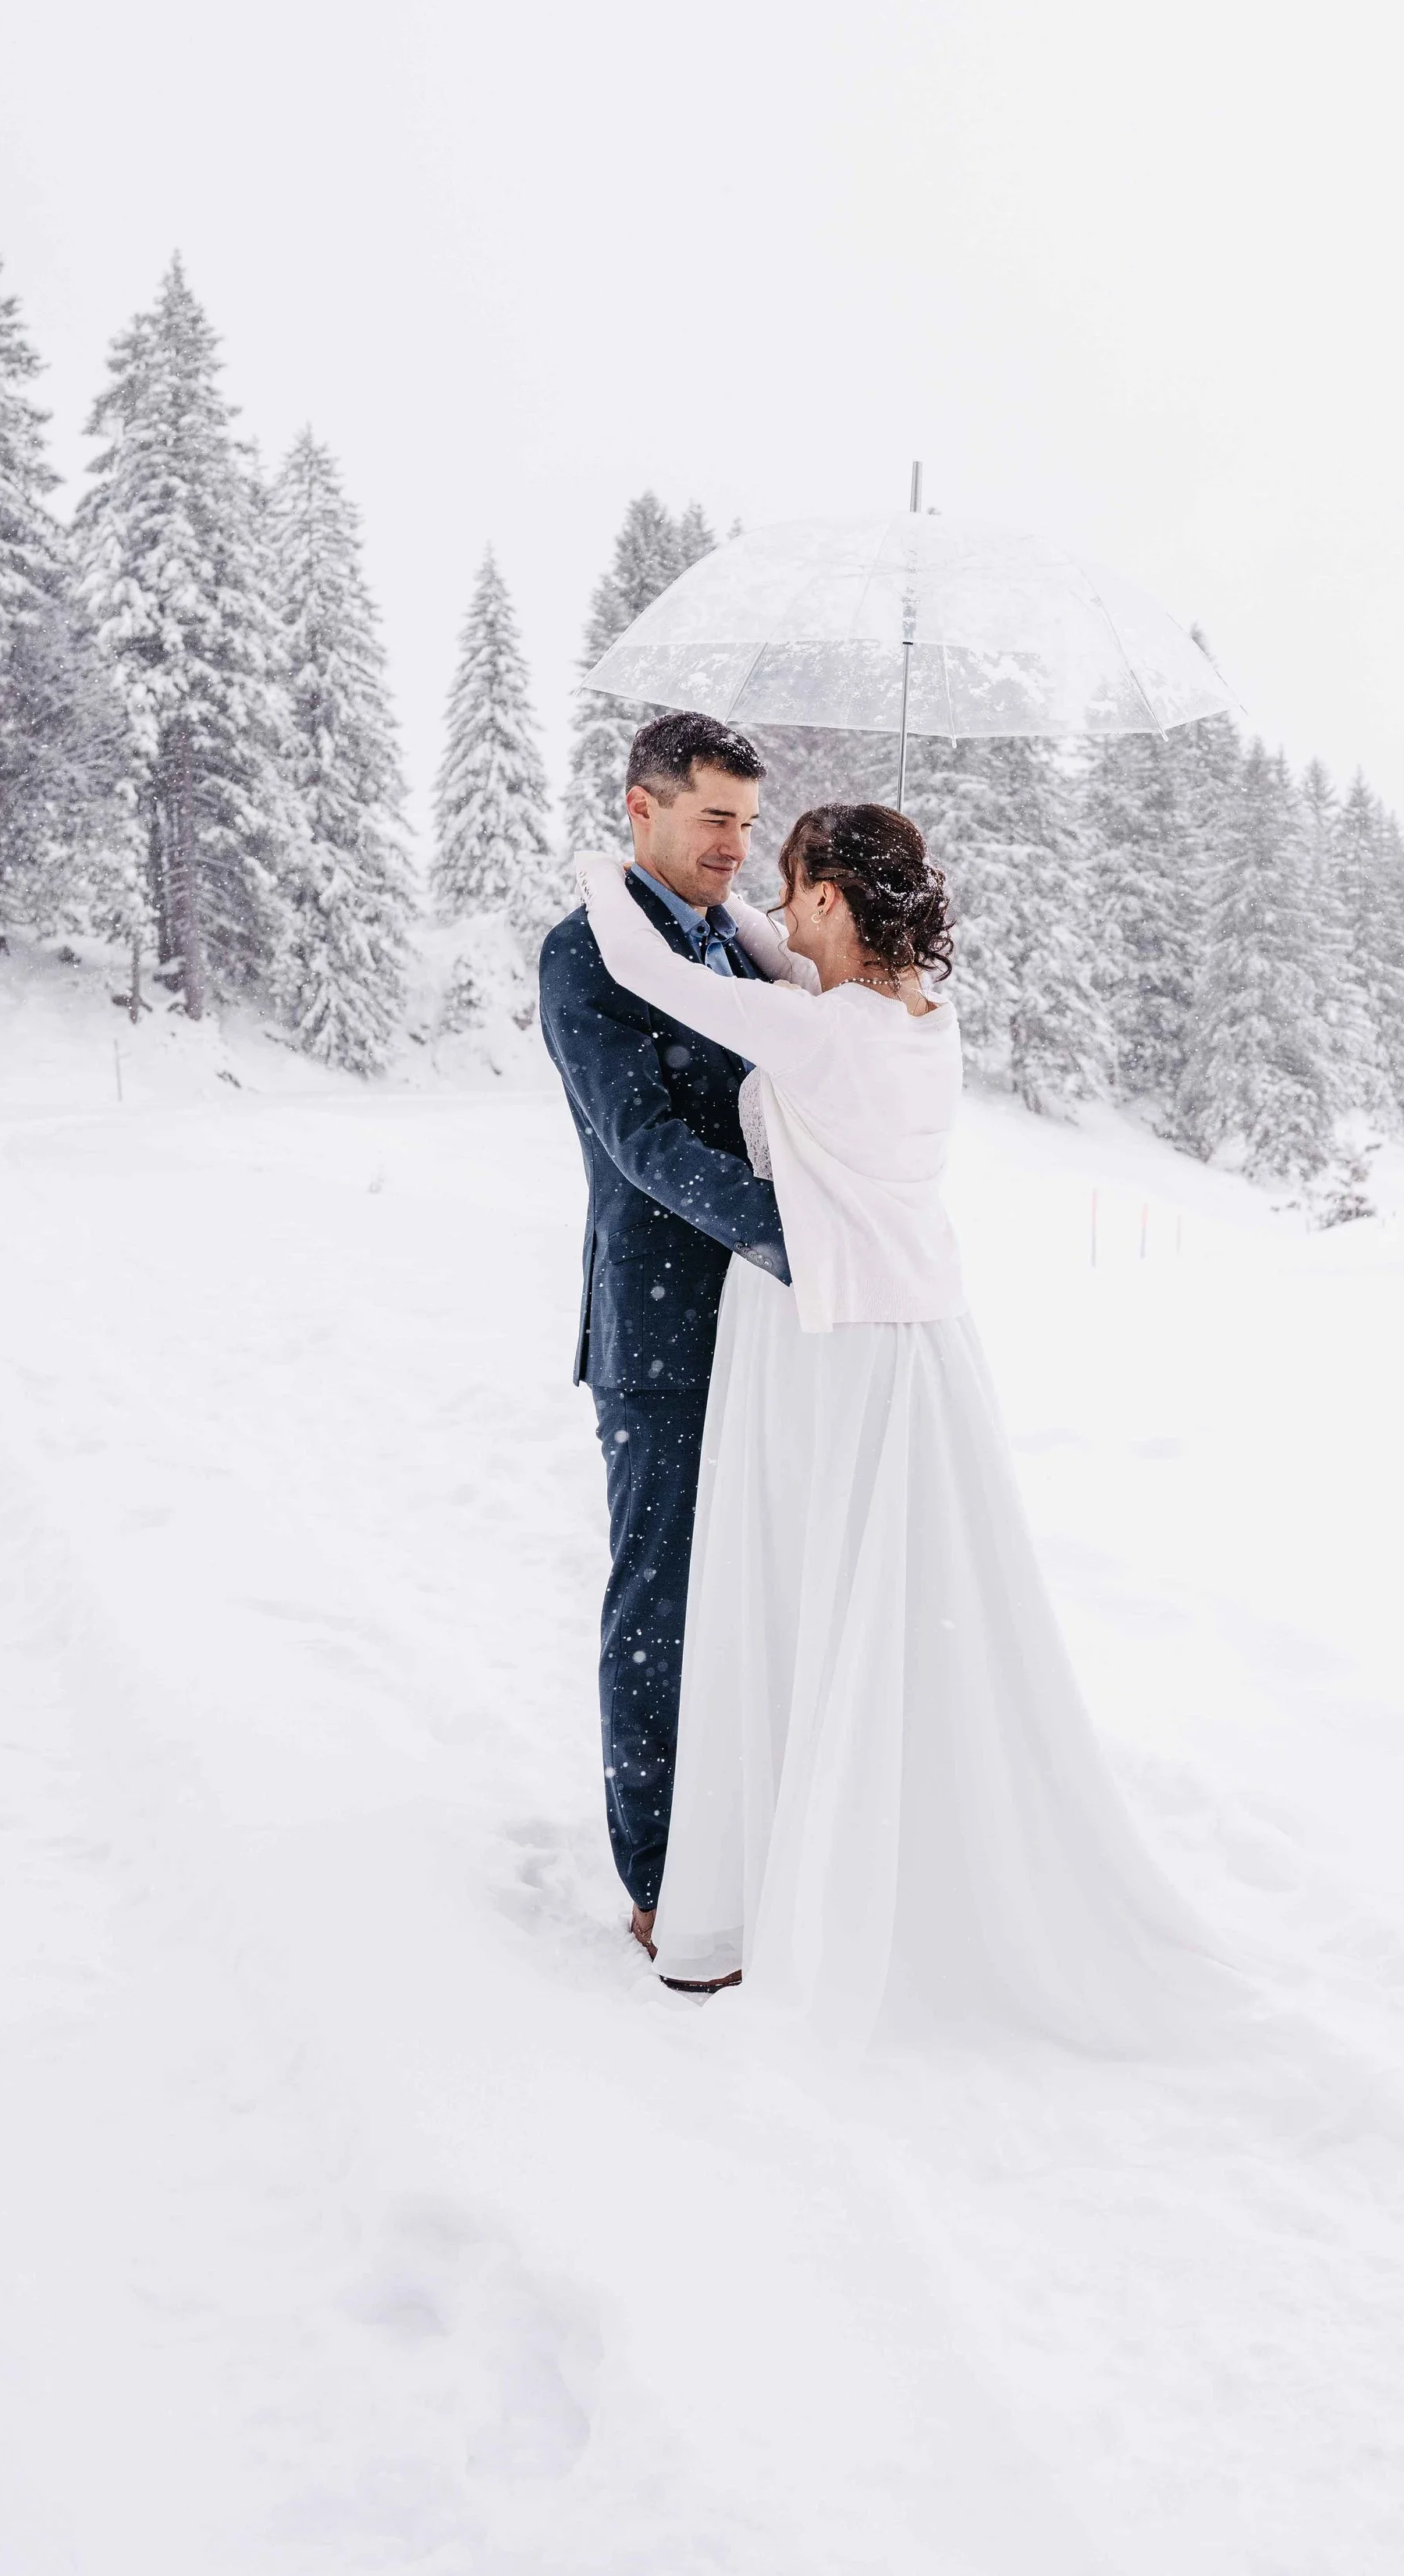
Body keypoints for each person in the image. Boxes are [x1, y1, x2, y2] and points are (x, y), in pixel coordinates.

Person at [574, 802, 1218, 2052]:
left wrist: (602, 865)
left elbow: (650, 965)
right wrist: (781, 914)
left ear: (828, 898)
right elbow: (775, 952)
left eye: (790, 877)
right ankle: (889, 1845)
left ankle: (795, 1872)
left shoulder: (812, 1038)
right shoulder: (921, 1023)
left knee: (809, 1597)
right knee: (898, 1605)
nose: (768, 893)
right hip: (920, 1342)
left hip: (825, 1346)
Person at [538, 712, 791, 1977]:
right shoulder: (586, 954)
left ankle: (757, 1842)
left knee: (750, 1591)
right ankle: (657, 1876)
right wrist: (805, 1237)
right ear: (641, 809)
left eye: (749, 823)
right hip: (660, 1335)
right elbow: (644, 1144)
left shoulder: (743, 955)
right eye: (714, 819)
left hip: (768, 1336)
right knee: (664, 1602)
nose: (736, 847)